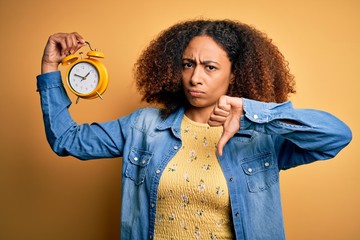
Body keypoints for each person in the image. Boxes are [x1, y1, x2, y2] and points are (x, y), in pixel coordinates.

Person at [37, 19, 352, 240]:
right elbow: (67, 140)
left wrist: (254, 112)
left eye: (210, 67)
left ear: (233, 75)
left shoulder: (260, 137)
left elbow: (336, 137)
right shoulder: (144, 126)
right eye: (189, 64)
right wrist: (50, 67)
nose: (195, 77)